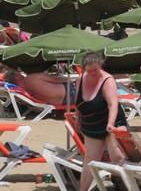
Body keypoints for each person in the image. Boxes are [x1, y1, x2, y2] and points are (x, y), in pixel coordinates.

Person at [75, 53, 127, 191]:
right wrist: (77, 118)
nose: (92, 73)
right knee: (90, 160)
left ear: (101, 66)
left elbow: (113, 105)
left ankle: (126, 186)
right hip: (91, 124)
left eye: (95, 70)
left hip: (113, 121)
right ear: (84, 68)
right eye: (89, 70)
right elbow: (78, 102)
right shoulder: (81, 79)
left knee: (117, 156)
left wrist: (110, 124)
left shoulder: (107, 80)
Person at [4, 69, 76, 105]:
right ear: (16, 76)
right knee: (79, 80)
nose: (21, 73)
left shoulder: (21, 90)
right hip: (70, 92)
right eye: (19, 73)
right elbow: (57, 80)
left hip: (60, 102)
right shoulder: (31, 78)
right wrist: (72, 79)